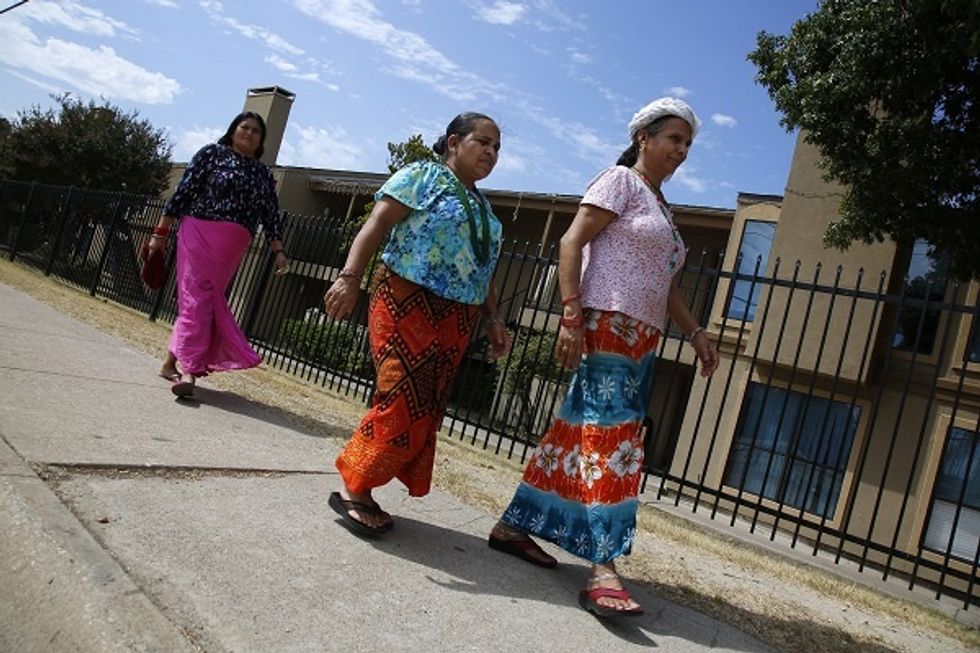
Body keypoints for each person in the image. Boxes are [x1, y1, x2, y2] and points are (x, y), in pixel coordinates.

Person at [488, 97, 719, 618]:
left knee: (577, 431)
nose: (682, 151)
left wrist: (696, 331)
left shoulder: (662, 206)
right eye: (674, 139)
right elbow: (571, 242)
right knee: (611, 442)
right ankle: (602, 565)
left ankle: (513, 526)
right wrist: (571, 315)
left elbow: (667, 284)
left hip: (645, 338)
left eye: (687, 144)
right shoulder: (620, 181)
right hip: (607, 324)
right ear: (643, 138)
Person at [323, 112, 510, 535]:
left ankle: (366, 480)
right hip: (405, 298)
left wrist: (493, 318)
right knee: (399, 392)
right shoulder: (422, 176)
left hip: (458, 316)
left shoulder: (483, 207)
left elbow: (483, 270)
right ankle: (355, 484)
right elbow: (377, 223)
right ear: (453, 142)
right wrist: (349, 278)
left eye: (497, 147)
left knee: (427, 405)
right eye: (483, 142)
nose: (491, 152)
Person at [149, 111, 289, 397]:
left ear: (261, 140)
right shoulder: (211, 154)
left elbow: (270, 213)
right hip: (198, 231)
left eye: (256, 131)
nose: (249, 133)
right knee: (198, 298)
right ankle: (189, 370)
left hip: (233, 243)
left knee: (203, 300)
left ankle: (169, 364)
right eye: (244, 127)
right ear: (233, 130)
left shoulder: (263, 174)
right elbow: (183, 193)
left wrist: (278, 250)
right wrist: (159, 233)